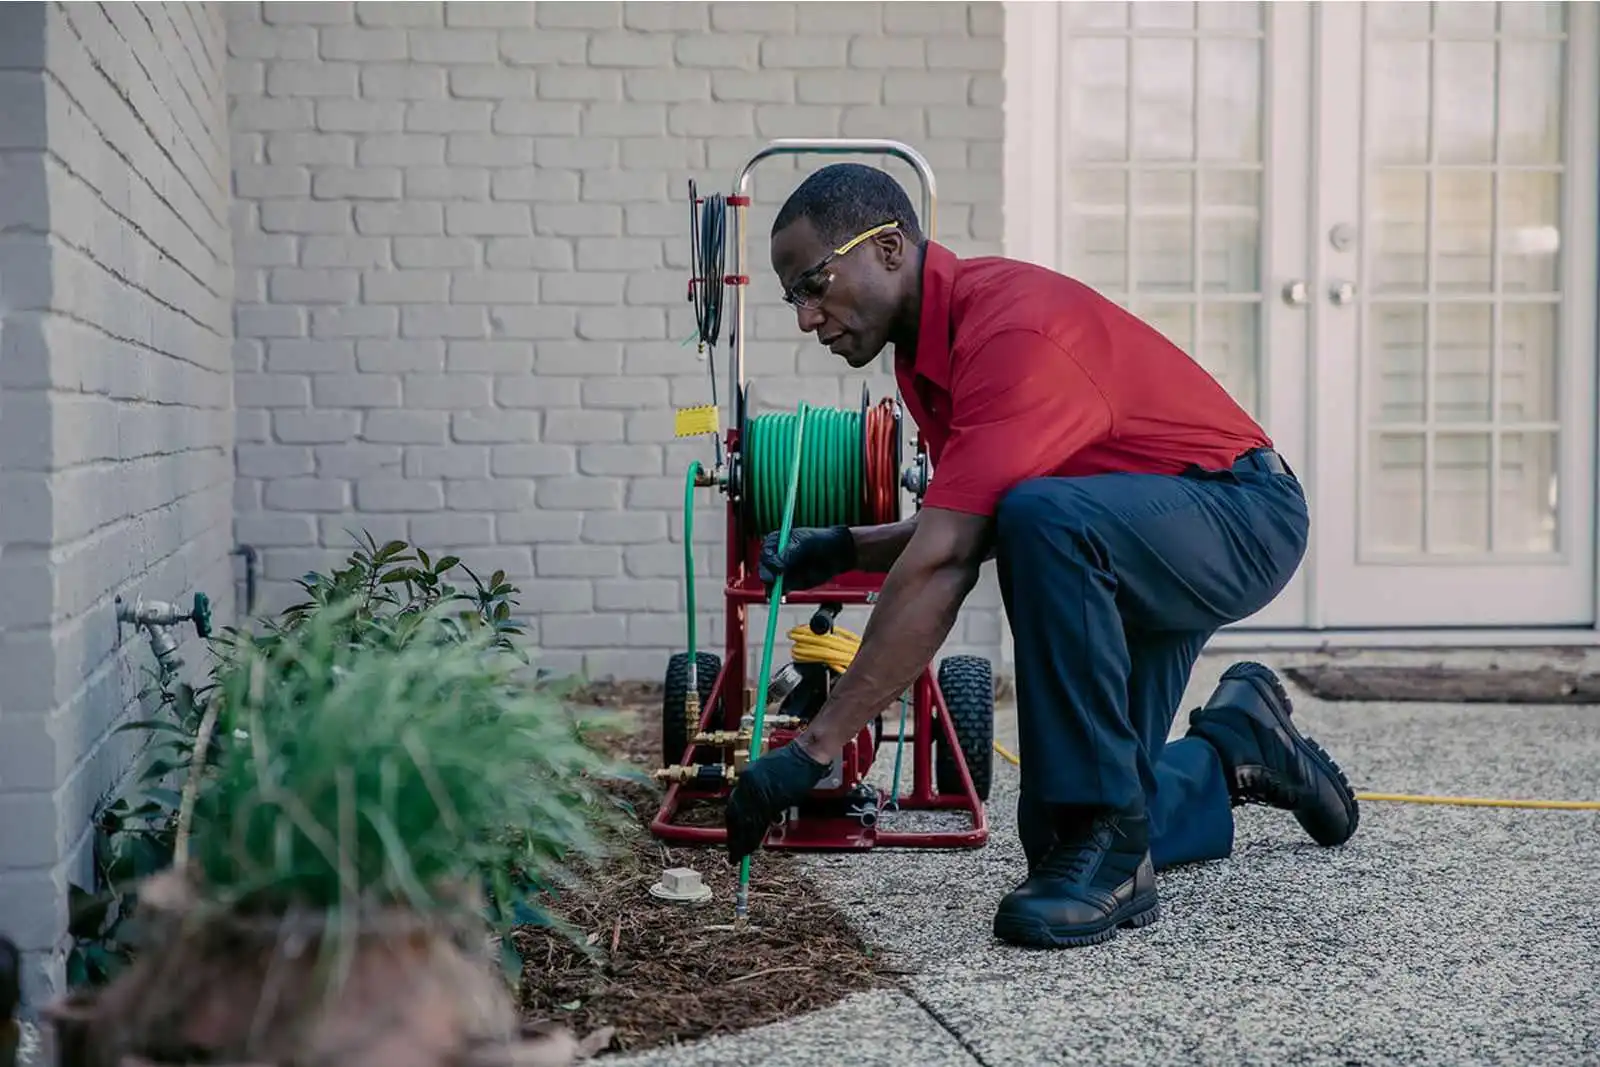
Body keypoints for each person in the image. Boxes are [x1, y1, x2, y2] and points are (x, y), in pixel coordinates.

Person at [722, 162, 1360, 949]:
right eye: (794, 295)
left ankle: (1116, 859)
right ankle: (1239, 744)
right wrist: (850, 547)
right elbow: (967, 517)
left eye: (814, 283)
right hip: (1135, 539)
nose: (806, 316)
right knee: (1063, 836)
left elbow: (949, 556)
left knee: (1045, 526)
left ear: (887, 247)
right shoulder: (926, 353)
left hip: (1238, 514)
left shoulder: (1010, 331)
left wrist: (814, 749)